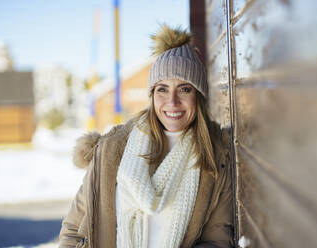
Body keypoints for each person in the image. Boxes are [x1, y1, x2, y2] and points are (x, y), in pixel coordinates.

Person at [59, 25, 234, 248]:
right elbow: (74, 229)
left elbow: (216, 241)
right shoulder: (112, 150)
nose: (172, 101)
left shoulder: (216, 157)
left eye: (184, 89)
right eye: (162, 89)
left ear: (197, 96)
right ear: (152, 96)